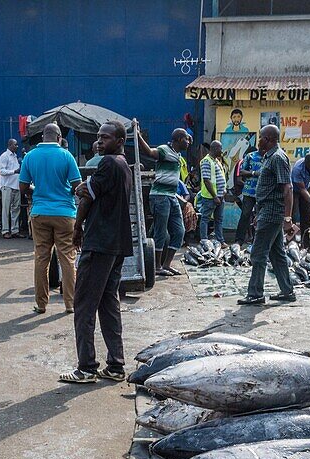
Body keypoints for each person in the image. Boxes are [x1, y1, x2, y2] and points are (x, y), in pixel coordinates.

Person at [59, 121, 133, 383]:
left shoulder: (109, 163)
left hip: (100, 242)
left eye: (105, 137)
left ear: (120, 140)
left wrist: (77, 225)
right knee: (107, 302)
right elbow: (90, 191)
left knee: (84, 304)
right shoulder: (123, 166)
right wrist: (85, 188)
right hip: (115, 244)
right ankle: (115, 365)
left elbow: (87, 196)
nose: (99, 141)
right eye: (98, 137)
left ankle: (86, 367)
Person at [19, 122, 82, 314]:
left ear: (42, 137)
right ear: (59, 137)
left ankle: (41, 304)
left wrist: (37, 193)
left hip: (39, 213)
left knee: (41, 258)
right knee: (67, 259)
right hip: (64, 214)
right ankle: (70, 304)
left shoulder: (30, 157)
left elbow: (23, 188)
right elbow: (77, 185)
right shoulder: (66, 156)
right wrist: (65, 194)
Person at [237, 124, 296, 306]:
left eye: (261, 137)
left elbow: (287, 188)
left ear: (268, 139)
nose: (259, 140)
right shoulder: (269, 157)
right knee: (277, 254)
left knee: (258, 253)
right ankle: (287, 291)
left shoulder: (277, 158)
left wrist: (288, 219)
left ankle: (255, 294)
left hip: (272, 213)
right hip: (266, 211)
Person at [137, 127, 191, 276]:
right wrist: (138, 136)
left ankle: (166, 264)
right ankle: (157, 266)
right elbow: (149, 152)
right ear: (180, 139)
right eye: (186, 139)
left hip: (172, 196)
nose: (188, 142)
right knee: (161, 232)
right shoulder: (164, 150)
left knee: (179, 231)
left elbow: (186, 143)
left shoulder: (176, 153)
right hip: (160, 196)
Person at [197, 140, 228, 242]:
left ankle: (220, 240)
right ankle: (204, 241)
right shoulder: (206, 161)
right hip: (211, 197)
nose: (221, 151)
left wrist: (224, 190)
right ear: (214, 149)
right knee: (205, 219)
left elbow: (221, 177)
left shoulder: (217, 161)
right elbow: (206, 180)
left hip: (220, 196)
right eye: (220, 148)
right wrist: (214, 196)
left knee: (219, 220)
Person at [233, 146, 262, 245]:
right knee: (245, 215)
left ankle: (256, 241)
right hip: (249, 192)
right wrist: (254, 173)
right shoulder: (250, 156)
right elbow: (241, 172)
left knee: (260, 217)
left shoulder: (269, 158)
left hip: (262, 193)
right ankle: (239, 240)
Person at [0, 138, 21, 239]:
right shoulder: (4, 156)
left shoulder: (15, 156)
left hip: (16, 185)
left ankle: (15, 230)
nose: (17, 146)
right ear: (10, 145)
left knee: (16, 208)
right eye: (15, 145)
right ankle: (5, 230)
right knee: (6, 209)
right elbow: (1, 171)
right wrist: (14, 171)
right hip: (7, 186)